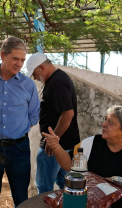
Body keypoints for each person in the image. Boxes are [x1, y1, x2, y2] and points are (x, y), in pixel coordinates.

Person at [0, 37, 40, 207]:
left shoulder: (28, 85)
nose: (19, 64)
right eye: (15, 58)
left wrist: (17, 129)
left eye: (22, 60)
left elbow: (34, 115)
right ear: (3, 55)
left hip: (19, 148)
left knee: (20, 198)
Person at [44, 105, 122, 196]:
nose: (104, 124)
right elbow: (68, 164)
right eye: (105, 119)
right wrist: (56, 146)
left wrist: (93, 183)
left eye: (111, 122)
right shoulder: (92, 142)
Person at [26, 52, 80, 194]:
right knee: (64, 184)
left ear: (42, 68)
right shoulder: (58, 79)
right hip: (62, 144)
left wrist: (53, 140)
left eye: (35, 74)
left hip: (54, 145)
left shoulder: (56, 82)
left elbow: (68, 114)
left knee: (44, 188)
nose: (35, 78)